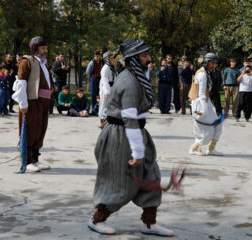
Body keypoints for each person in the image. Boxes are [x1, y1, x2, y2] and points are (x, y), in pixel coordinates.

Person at [88, 38, 174, 237]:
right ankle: (97, 219)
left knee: (151, 176)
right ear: (134, 59)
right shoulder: (128, 81)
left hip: (134, 132)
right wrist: (137, 152)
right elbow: (129, 118)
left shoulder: (134, 77)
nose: (149, 58)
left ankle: (149, 223)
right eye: (144, 55)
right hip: (122, 137)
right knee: (121, 183)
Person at [12, 36, 53, 173]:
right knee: (30, 131)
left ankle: (35, 159)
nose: (45, 50)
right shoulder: (26, 62)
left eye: (46, 47)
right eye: (43, 48)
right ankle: (27, 161)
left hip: (43, 103)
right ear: (35, 49)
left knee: (40, 131)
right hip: (32, 103)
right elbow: (21, 84)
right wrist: (23, 103)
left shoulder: (43, 63)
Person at [188, 53, 223, 156]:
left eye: (215, 63)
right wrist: (203, 110)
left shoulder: (206, 73)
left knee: (217, 125)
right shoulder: (202, 74)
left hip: (205, 102)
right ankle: (194, 149)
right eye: (212, 63)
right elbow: (201, 94)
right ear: (206, 62)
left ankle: (211, 149)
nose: (214, 66)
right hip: (200, 104)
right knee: (203, 130)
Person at [99, 52, 117, 121]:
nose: (113, 60)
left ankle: (109, 119)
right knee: (104, 105)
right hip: (106, 88)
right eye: (111, 58)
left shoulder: (111, 68)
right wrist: (107, 92)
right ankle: (103, 119)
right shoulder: (105, 68)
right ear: (107, 60)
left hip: (112, 87)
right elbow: (104, 80)